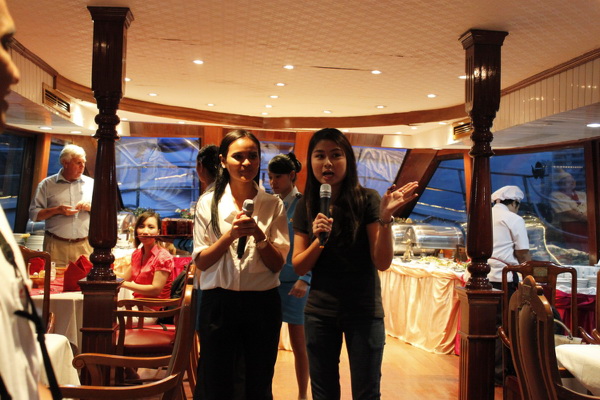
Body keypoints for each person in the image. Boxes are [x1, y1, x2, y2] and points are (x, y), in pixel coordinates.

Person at [292, 128, 418, 400]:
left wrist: (385, 219)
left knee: (367, 392)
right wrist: (319, 240)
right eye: (319, 155)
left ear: (348, 160)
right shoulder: (306, 205)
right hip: (319, 313)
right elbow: (299, 266)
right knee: (323, 393)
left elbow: (381, 262)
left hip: (364, 311)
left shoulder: (367, 199)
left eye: (335, 155)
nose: (327, 163)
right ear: (310, 161)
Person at [192, 129, 290, 400]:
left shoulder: (272, 205)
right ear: (223, 161)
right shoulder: (208, 203)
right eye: (238, 156)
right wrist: (230, 235)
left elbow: (277, 264)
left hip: (262, 304)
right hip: (218, 302)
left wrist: (258, 235)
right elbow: (202, 261)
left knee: (258, 380)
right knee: (215, 380)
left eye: (252, 156)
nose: (246, 162)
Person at [0, 1, 52, 398]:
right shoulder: (46, 184)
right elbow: (35, 213)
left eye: (8, 45)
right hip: (56, 241)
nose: (14, 72)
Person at [268, 153, 310, 400]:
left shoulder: (304, 204)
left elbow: (315, 244)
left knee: (299, 344)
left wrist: (306, 278)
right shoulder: (271, 203)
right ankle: (265, 392)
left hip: (297, 282)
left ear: (292, 176)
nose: (273, 182)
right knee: (267, 344)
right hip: (270, 281)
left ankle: (303, 394)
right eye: (270, 177)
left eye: (278, 177)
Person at [487, 185, 531, 386]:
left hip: (482, 277)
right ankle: (500, 374)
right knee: (504, 325)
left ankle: (485, 370)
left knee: (488, 325)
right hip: (503, 279)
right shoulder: (513, 219)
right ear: (514, 203)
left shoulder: (484, 215)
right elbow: (523, 253)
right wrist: (533, 272)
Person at [29, 144, 94, 268]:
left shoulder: (92, 184)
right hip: (56, 246)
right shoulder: (46, 185)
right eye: (78, 163)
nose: (82, 166)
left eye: (84, 162)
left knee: (84, 280)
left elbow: (104, 214)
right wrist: (57, 210)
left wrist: (90, 208)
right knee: (53, 279)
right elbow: (34, 215)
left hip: (84, 246)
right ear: (65, 163)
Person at [118, 211, 174, 302]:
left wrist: (123, 284)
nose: (145, 231)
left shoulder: (163, 256)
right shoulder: (137, 254)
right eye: (141, 227)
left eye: (151, 227)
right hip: (138, 304)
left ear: (158, 232)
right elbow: (125, 278)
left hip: (155, 307)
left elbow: (155, 290)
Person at [173, 144, 219, 254]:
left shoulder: (207, 199)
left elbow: (200, 247)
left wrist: (174, 241)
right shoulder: (231, 193)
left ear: (200, 166)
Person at [549, 170, 588, 251]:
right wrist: (586, 218)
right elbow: (567, 212)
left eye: (573, 181)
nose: (572, 183)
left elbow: (590, 208)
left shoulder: (582, 194)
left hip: (586, 226)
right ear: (561, 184)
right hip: (570, 228)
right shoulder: (556, 196)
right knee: (575, 250)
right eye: (568, 181)